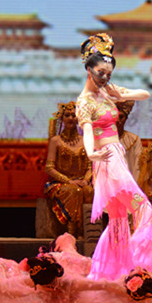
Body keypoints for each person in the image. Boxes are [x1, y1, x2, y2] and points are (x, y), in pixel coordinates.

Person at [75, 33, 152, 281]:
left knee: (118, 220)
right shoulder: (84, 102)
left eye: (109, 74)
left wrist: (120, 94)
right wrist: (91, 153)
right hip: (107, 158)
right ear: (88, 69)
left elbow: (145, 94)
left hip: (116, 156)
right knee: (143, 207)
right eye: (101, 73)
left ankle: (109, 271)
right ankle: (139, 261)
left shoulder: (107, 92)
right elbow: (87, 130)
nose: (105, 78)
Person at [44, 101, 93, 238]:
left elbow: (90, 166)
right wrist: (68, 181)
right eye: (67, 115)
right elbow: (49, 168)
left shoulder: (86, 140)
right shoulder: (56, 141)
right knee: (74, 191)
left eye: (74, 115)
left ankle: (86, 230)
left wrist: (85, 180)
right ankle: (72, 232)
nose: (71, 118)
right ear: (62, 119)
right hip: (63, 183)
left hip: (81, 182)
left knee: (89, 191)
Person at [116, 100, 142, 180]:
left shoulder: (134, 139)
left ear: (126, 118)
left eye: (121, 117)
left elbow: (137, 166)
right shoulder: (103, 139)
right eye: (114, 117)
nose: (117, 120)